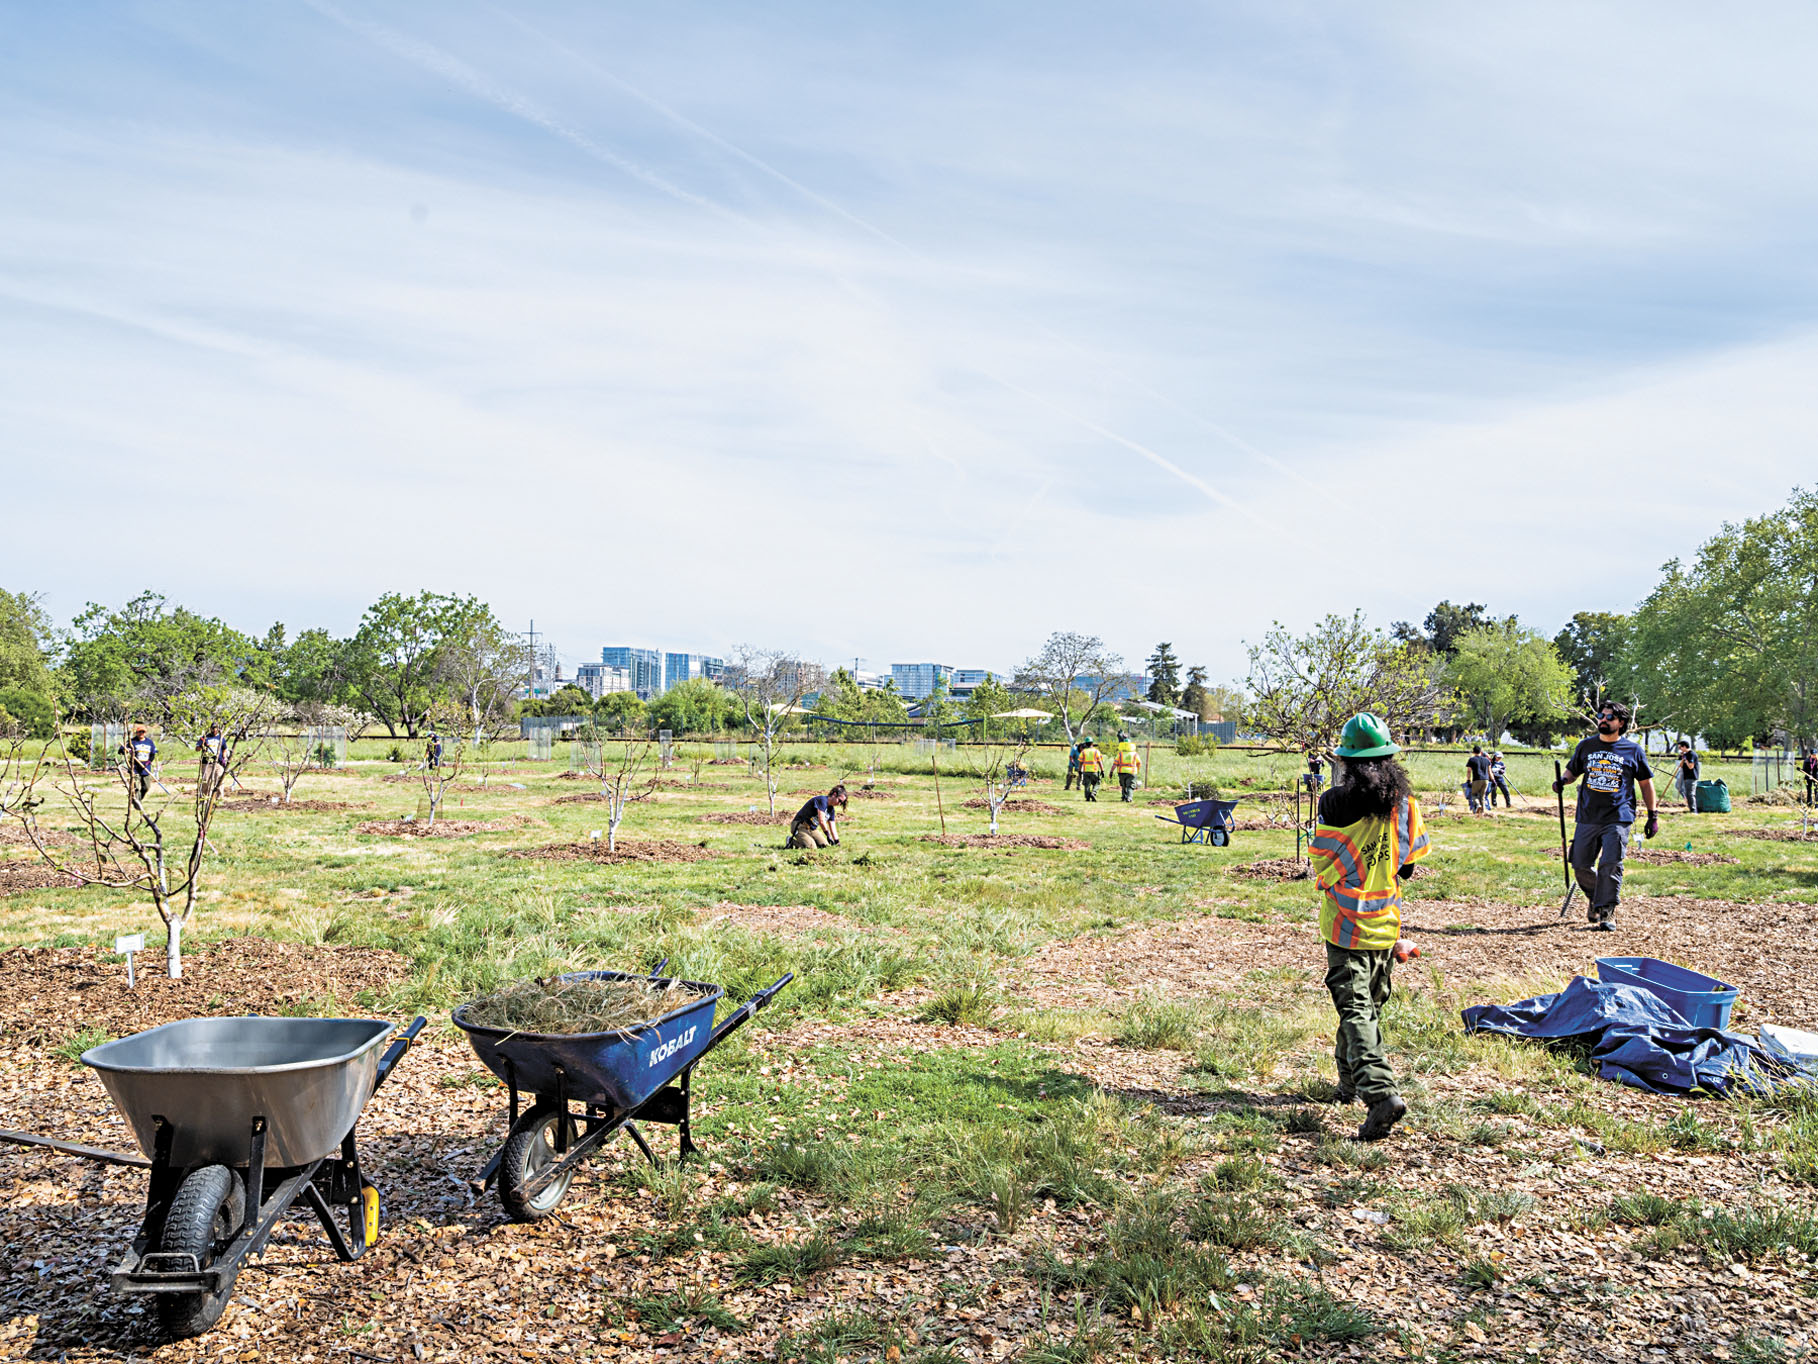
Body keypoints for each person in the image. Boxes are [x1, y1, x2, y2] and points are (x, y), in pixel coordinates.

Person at [1308, 712, 1431, 1142]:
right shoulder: (1405, 807)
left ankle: (1380, 1095)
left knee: (1356, 1010)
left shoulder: (1333, 803)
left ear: (1346, 760)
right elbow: (1409, 867)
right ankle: (1348, 1083)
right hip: (1385, 926)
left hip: (1345, 927)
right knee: (1365, 1010)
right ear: (1389, 759)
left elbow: (1322, 862)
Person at [1554, 702, 1658, 932]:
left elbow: (1646, 784)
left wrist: (1653, 815)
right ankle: (1595, 898)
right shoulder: (1586, 746)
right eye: (1601, 715)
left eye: (1610, 717)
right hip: (1588, 816)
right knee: (1580, 865)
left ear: (1620, 723)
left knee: (1610, 864)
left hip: (1619, 817)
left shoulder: (1633, 751)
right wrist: (1563, 781)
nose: (1603, 719)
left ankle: (1607, 910)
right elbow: (1573, 770)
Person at [788, 784, 847, 848]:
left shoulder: (831, 810)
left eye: (842, 803)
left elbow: (832, 826)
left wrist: (836, 841)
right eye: (839, 800)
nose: (839, 804)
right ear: (834, 794)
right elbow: (821, 821)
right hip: (800, 826)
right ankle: (791, 841)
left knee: (825, 847)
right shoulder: (822, 800)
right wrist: (828, 835)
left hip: (812, 829)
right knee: (812, 847)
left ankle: (806, 842)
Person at [125, 724, 156, 803]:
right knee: (136, 787)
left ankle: (137, 800)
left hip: (145, 768)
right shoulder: (132, 741)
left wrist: (149, 762)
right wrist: (129, 750)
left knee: (146, 787)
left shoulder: (149, 742)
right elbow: (122, 750)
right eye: (139, 732)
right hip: (135, 767)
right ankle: (137, 803)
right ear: (137, 733)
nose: (141, 734)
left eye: (143, 732)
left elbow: (152, 754)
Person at [1112, 732, 1141, 802]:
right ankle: (1129, 797)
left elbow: (1115, 764)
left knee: (1124, 785)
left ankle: (1124, 796)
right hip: (1132, 772)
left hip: (1121, 772)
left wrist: (1111, 771)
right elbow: (1139, 763)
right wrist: (1138, 770)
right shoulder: (1135, 754)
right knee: (1130, 786)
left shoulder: (1120, 754)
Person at [1675, 740, 1700, 814]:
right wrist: (1682, 758)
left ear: (1684, 746)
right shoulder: (1686, 755)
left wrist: (1685, 759)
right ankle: (1690, 808)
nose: (1680, 749)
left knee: (1690, 794)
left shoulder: (1692, 754)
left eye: (1680, 747)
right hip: (1686, 776)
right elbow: (1681, 766)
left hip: (1691, 776)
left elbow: (1691, 766)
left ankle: (1693, 811)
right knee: (1687, 792)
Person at [1465, 745, 1491, 815]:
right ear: (1481, 751)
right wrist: (1493, 780)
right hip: (1486, 780)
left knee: (1474, 795)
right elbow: (1489, 771)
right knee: (1482, 796)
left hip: (1477, 779)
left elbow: (1469, 771)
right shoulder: (1486, 760)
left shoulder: (1472, 759)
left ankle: (1478, 805)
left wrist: (1468, 780)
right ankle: (1483, 811)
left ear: (1473, 752)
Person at [1077, 737, 1104, 801]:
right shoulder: (1096, 751)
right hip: (1094, 771)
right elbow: (1100, 762)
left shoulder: (1083, 752)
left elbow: (1080, 763)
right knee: (1097, 782)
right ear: (1092, 743)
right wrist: (1102, 770)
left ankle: (1087, 797)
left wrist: (1079, 771)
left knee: (1087, 785)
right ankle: (1093, 793)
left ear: (1086, 744)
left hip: (1086, 771)